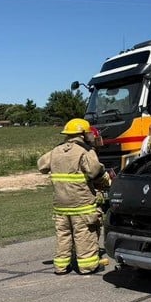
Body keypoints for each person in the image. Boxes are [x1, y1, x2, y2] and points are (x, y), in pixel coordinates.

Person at [38, 118, 113, 275]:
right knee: (84, 234)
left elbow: (41, 165)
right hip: (82, 206)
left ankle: (61, 266)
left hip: (61, 206)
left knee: (63, 237)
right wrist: (107, 179)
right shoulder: (85, 152)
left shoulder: (56, 151)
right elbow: (95, 172)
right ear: (83, 134)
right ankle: (88, 266)